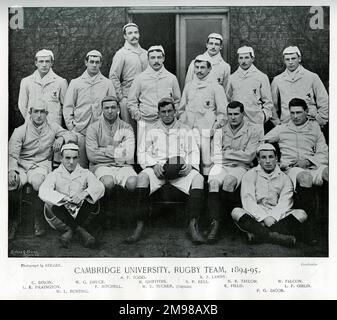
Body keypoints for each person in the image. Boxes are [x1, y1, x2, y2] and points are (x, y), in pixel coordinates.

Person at [126, 97, 205, 244]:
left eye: (170, 111)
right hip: (159, 169)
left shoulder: (185, 129)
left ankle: (193, 225)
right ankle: (140, 225)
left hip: (180, 170)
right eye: (163, 112)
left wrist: (190, 165)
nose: (167, 114)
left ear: (175, 111)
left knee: (198, 179)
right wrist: (153, 165)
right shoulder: (151, 130)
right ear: (159, 113)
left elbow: (194, 150)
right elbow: (142, 152)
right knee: (142, 177)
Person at [263, 98, 328, 241]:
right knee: (306, 177)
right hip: (292, 169)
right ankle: (307, 228)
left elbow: (324, 153)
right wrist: (275, 162)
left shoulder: (314, 128)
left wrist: (309, 161)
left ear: (307, 112)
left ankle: (327, 224)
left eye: (299, 112)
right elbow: (262, 143)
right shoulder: (282, 128)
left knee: (329, 173)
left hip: (313, 164)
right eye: (292, 113)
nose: (295, 116)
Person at [8, 101, 74, 239]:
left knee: (38, 182)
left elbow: (72, 136)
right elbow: (12, 154)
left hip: (41, 165)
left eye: (42, 112)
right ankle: (12, 222)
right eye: (35, 111)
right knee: (11, 182)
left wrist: (61, 138)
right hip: (22, 165)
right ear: (30, 113)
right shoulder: (20, 131)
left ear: (47, 114)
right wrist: (12, 170)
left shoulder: (53, 127)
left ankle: (38, 221)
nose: (38, 115)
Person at [207, 101, 263, 242]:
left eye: (236, 114)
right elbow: (214, 156)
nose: (233, 117)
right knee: (213, 182)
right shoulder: (220, 131)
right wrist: (238, 154)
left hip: (241, 167)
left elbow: (250, 156)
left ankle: (227, 224)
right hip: (221, 166)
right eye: (230, 114)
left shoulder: (253, 130)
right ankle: (215, 224)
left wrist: (226, 153)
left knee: (229, 181)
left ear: (243, 114)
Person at [231, 144, 307, 247]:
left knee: (302, 214)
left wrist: (272, 218)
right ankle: (276, 237)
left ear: (276, 158)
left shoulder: (285, 178)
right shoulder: (250, 175)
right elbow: (248, 201)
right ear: (258, 159)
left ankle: (259, 235)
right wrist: (263, 217)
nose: (268, 161)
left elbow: (285, 202)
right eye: (263, 157)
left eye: (271, 157)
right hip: (256, 216)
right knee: (236, 212)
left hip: (277, 217)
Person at [39, 143, 105, 248]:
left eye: (74, 158)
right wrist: (63, 198)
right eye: (67, 158)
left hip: (81, 215)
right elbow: (43, 191)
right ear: (61, 158)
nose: (71, 162)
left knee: (93, 197)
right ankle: (81, 231)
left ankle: (71, 231)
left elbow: (100, 187)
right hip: (61, 218)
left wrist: (84, 194)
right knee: (50, 202)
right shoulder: (54, 174)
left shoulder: (85, 172)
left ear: (78, 158)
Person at [86, 96, 137, 225]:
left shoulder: (127, 127)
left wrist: (103, 150)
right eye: (106, 108)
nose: (110, 111)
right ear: (102, 109)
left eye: (113, 107)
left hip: (124, 166)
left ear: (118, 109)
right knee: (108, 181)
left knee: (133, 182)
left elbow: (129, 155)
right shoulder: (93, 128)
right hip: (100, 166)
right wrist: (117, 151)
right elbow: (92, 155)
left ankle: (127, 218)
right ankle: (105, 218)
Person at [63, 50, 116, 168]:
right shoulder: (76, 83)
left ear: (101, 64)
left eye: (97, 62)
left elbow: (114, 107)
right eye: (91, 62)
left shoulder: (107, 83)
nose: (94, 65)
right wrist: (72, 127)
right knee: (79, 166)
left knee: (98, 166)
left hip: (101, 132)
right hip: (80, 130)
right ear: (86, 62)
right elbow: (68, 107)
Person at [178, 54, 227, 175]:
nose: (199, 70)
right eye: (197, 67)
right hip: (189, 130)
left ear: (209, 69)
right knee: (190, 162)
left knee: (206, 163)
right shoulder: (189, 86)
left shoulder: (216, 87)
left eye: (203, 67)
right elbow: (182, 109)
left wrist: (214, 128)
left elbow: (222, 112)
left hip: (207, 132)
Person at [127, 45, 181, 145]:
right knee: (145, 154)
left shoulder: (171, 78)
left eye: (159, 57)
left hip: (166, 123)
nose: (156, 61)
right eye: (153, 57)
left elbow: (177, 101)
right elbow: (131, 101)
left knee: (165, 151)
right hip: (146, 122)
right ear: (148, 59)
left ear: (163, 58)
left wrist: (172, 116)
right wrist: (139, 117)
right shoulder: (140, 78)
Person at [271, 46, 329, 134]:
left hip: (310, 125)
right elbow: (271, 105)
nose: (290, 62)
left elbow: (324, 100)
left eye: (293, 58)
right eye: (287, 59)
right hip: (287, 126)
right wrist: (277, 124)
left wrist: (321, 120)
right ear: (284, 61)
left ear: (299, 58)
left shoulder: (312, 77)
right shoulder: (278, 80)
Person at [109, 23, 148, 126]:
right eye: (130, 33)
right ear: (125, 36)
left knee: (144, 130)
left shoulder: (146, 53)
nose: (133, 35)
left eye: (136, 32)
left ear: (139, 34)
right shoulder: (121, 53)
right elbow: (113, 76)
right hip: (127, 96)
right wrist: (121, 98)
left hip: (144, 97)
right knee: (130, 129)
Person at [227, 46, 273, 128]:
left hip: (256, 122)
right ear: (238, 59)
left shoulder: (261, 77)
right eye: (241, 58)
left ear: (252, 59)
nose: (243, 61)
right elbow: (227, 100)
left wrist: (263, 117)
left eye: (246, 58)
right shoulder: (232, 78)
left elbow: (268, 102)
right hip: (236, 123)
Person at [18, 49, 68, 125]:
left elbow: (66, 106)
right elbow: (22, 105)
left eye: (47, 61)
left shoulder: (61, 82)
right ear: (36, 63)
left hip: (53, 125)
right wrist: (32, 119)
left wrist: (55, 116)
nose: (44, 65)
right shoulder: (26, 81)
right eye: (41, 61)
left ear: (51, 63)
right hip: (32, 126)